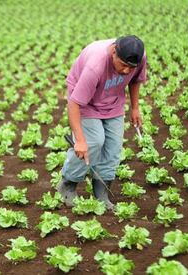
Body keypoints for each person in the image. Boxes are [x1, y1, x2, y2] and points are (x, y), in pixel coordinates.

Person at [57, 35, 147, 209]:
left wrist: (135, 108)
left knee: (113, 147)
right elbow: (74, 104)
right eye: (123, 65)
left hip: (113, 100)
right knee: (92, 143)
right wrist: (80, 141)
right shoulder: (95, 67)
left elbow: (135, 80)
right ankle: (68, 185)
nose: (127, 71)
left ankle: (101, 193)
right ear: (114, 51)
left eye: (131, 67)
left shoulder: (139, 57)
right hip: (86, 102)